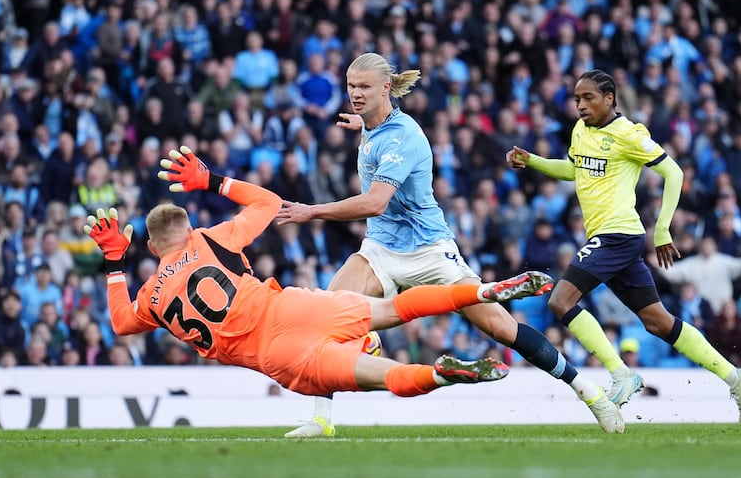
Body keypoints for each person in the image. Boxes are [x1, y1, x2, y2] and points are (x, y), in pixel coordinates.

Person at [276, 52, 624, 437]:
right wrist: (365, 121)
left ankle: (589, 392)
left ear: (385, 89)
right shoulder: (374, 124)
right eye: (351, 87)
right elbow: (379, 133)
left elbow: (375, 202)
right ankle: (322, 420)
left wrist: (311, 212)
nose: (355, 94)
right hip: (380, 250)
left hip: (429, 252)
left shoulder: (402, 137)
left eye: (364, 88)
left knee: (502, 329)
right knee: (328, 314)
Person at [83, 146, 553, 407]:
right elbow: (268, 203)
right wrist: (213, 182)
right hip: (291, 306)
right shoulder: (211, 239)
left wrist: (114, 265)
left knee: (387, 378)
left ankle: (441, 374)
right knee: (390, 309)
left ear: (151, 247)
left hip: (275, 354)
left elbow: (122, 324)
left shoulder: (150, 295)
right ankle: (485, 289)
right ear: (187, 228)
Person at [506, 69, 741, 426]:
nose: (580, 105)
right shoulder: (581, 131)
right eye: (577, 98)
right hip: (609, 238)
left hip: (617, 235)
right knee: (658, 322)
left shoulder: (628, 134)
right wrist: (533, 161)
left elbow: (674, 173)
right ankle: (737, 378)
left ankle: (621, 374)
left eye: (588, 98)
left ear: (610, 98)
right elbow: (575, 171)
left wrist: (663, 230)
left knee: (560, 301)